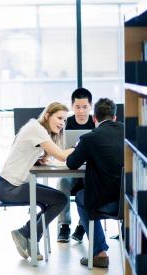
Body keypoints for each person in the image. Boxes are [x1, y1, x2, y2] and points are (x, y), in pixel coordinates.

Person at [0, 102, 74, 260]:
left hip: (10, 185)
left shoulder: (35, 127)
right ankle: (27, 235)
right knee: (60, 200)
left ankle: (26, 235)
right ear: (47, 116)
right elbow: (61, 156)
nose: (62, 123)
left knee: (58, 199)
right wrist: (79, 146)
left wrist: (36, 160)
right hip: (9, 188)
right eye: (59, 118)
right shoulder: (37, 129)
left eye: (65, 120)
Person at [66, 98, 124, 268]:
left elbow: (71, 164)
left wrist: (77, 148)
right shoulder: (131, 132)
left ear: (94, 119)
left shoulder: (90, 138)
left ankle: (100, 253)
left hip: (105, 204)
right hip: (131, 203)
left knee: (81, 196)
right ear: (115, 117)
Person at [57, 87, 95, 243]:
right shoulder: (65, 123)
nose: (81, 111)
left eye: (85, 107)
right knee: (62, 182)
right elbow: (59, 149)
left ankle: (82, 226)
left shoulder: (95, 123)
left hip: (90, 171)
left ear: (90, 106)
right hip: (71, 169)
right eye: (77, 107)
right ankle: (64, 226)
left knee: (92, 185)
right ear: (72, 106)